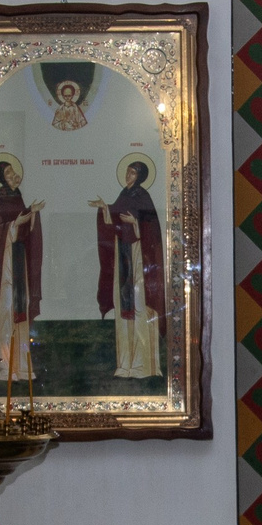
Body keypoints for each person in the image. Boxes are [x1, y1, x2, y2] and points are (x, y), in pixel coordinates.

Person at [90, 158, 164, 380]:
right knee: (124, 310)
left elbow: (153, 230)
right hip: (123, 257)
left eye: (133, 173)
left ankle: (143, 366)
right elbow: (114, 220)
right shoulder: (124, 194)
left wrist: (135, 223)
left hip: (138, 256)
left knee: (140, 308)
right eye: (128, 172)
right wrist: (105, 208)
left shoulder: (144, 196)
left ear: (140, 176)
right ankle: (125, 365)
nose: (128, 176)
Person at [0, 157, 42, 382]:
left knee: (18, 313)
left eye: (14, 171)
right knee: (3, 312)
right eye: (9, 173)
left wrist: (31, 215)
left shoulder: (17, 197)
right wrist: (16, 223)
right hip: (1, 268)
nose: (14, 175)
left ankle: (21, 367)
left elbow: (25, 233)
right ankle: (4, 367)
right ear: (2, 179)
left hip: (18, 263)